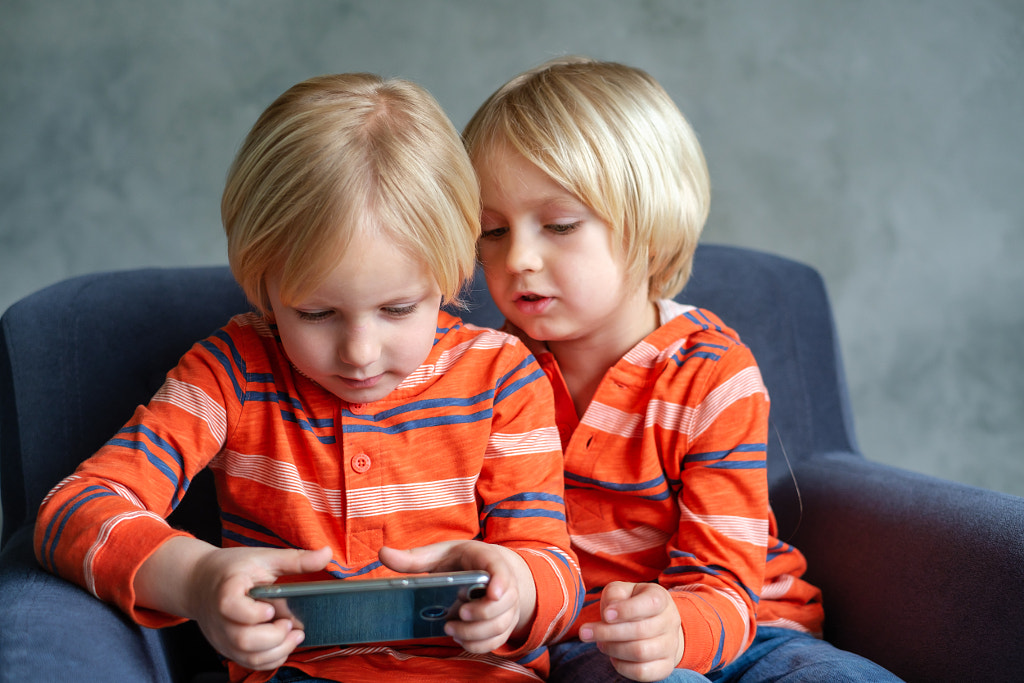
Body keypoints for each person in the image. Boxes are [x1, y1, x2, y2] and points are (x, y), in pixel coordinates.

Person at [34, 73, 583, 683]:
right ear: (263, 285)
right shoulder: (232, 371)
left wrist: (518, 589)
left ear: (452, 274)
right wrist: (195, 579)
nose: (360, 353)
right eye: (316, 314)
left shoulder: (502, 375)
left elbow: (555, 568)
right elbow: (71, 513)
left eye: (399, 309)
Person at [463, 57, 904, 682]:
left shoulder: (710, 372)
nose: (520, 258)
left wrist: (678, 627)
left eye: (559, 225)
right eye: (493, 231)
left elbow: (725, 575)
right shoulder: (483, 375)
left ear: (648, 228)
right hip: (592, 640)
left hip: (752, 623)